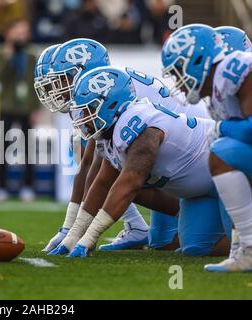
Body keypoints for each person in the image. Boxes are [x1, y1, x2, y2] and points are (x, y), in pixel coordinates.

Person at [38, 38, 208, 253]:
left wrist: (75, 231)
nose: (58, 88)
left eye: (63, 79)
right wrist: (70, 230)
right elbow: (96, 168)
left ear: (84, 72)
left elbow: (95, 167)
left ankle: (202, 213)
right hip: (171, 163)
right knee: (163, 242)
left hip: (194, 155)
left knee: (121, 177)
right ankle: (143, 225)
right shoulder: (108, 84)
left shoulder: (109, 93)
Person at [54, 66, 230, 258]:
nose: (83, 119)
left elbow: (130, 184)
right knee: (196, 248)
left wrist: (89, 237)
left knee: (242, 238)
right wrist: (73, 236)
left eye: (88, 110)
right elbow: (103, 183)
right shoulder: (111, 134)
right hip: (200, 191)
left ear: (110, 105)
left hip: (228, 169)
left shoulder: (139, 125)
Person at [162, 24, 252, 272]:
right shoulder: (215, 93)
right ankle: (241, 250)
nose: (179, 83)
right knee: (194, 245)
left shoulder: (236, 69)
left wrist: (221, 130)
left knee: (224, 152)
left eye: (179, 72)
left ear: (197, 61)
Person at [0, 20, 39, 202]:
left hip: (26, 108)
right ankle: (2, 186)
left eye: (24, 32)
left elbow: (36, 83)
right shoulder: (1, 54)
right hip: (7, 106)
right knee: (3, 148)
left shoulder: (31, 55)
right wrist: (8, 55)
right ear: (9, 34)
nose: (21, 36)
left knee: (28, 149)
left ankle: (27, 186)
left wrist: (36, 109)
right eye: (18, 32)